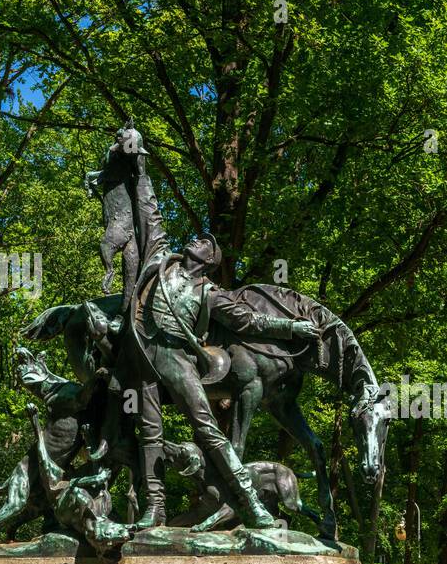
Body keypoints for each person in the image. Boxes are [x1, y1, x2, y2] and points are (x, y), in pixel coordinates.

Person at [114, 129, 317, 529]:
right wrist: (137, 160)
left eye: (206, 242)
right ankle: (155, 509)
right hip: (142, 354)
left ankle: (249, 504)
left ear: (209, 261)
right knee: (150, 432)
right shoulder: (161, 258)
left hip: (176, 357)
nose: (198, 240)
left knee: (207, 429)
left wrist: (292, 326)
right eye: (199, 239)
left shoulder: (211, 294)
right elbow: (148, 209)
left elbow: (251, 320)